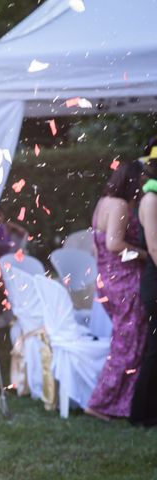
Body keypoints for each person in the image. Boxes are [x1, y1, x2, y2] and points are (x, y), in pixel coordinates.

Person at [87, 160, 148, 421]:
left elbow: (97, 246)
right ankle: (99, 403)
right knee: (127, 345)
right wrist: (145, 255)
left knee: (127, 341)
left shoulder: (103, 203)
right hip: (125, 282)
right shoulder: (121, 205)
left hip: (107, 281)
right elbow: (114, 244)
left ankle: (120, 404)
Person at [130, 142, 157, 427]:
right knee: (155, 350)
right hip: (155, 282)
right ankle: (142, 414)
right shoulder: (151, 199)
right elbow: (155, 247)